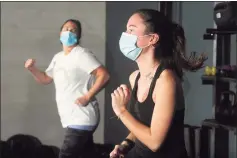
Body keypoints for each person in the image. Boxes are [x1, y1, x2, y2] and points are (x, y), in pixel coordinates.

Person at [110, 9, 207, 158]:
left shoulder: (166, 80)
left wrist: (121, 110)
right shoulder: (134, 77)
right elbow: (144, 125)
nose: (125, 36)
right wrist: (125, 145)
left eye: (131, 30)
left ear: (152, 39)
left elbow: (155, 142)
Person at [25, 19, 110, 158]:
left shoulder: (81, 54)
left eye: (73, 30)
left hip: (82, 116)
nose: (69, 32)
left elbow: (104, 75)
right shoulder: (58, 57)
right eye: (66, 29)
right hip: (70, 118)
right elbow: (46, 79)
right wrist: (32, 69)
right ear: (60, 33)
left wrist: (88, 96)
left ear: (79, 36)